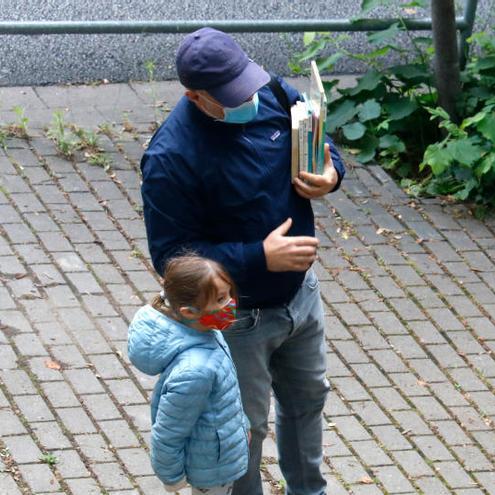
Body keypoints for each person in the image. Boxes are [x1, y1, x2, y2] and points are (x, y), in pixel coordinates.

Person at [140, 27, 346, 495]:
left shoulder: (269, 90)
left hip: (301, 297)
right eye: (232, 96)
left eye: (246, 84)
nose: (249, 98)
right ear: (195, 97)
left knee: (308, 401)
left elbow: (318, 137)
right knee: (243, 429)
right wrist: (258, 257)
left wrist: (331, 170)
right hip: (237, 318)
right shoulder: (170, 158)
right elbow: (172, 259)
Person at [128, 254, 248, 495]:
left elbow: (221, 399)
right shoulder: (196, 370)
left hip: (217, 452)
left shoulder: (204, 333)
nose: (231, 304)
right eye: (221, 299)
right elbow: (169, 432)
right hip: (210, 467)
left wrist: (241, 426)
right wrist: (172, 477)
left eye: (229, 294)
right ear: (190, 311)